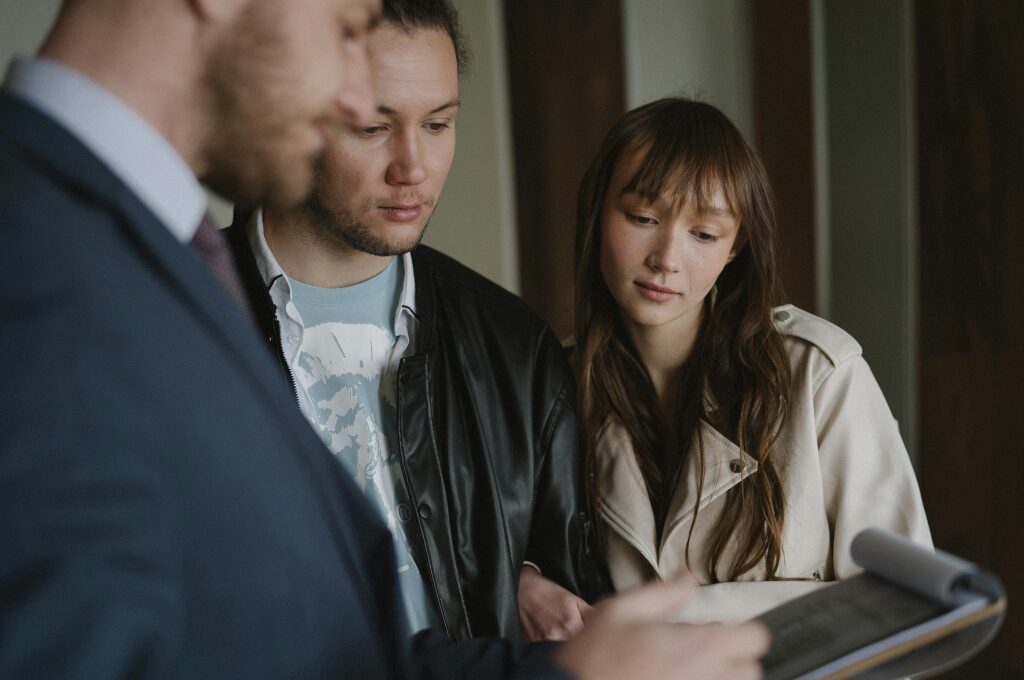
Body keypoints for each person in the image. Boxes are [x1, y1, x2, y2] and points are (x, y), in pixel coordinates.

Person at [0, 1, 768, 678]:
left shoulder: (149, 255)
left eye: (439, 122)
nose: (340, 89)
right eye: (340, 31)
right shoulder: (51, 270)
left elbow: (312, 651)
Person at [226, 0, 607, 641]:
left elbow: (574, 610)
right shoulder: (179, 325)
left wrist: (520, 579)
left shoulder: (516, 350)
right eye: (373, 128)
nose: (413, 168)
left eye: (437, 124)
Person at [572, 97, 933, 624]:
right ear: (598, 211)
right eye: (642, 216)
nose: (666, 259)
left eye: (703, 234)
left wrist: (683, 618)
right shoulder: (557, 384)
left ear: (735, 246)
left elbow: (907, 603)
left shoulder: (819, 374)